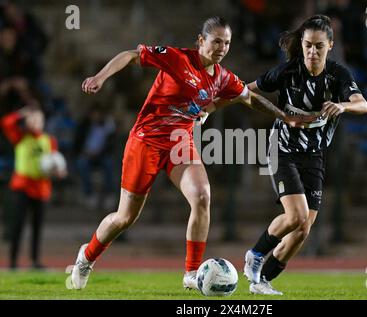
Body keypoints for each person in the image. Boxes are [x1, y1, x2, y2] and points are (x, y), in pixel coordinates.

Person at [69, 16, 309, 290]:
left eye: (227, 43)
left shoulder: (222, 77)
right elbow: (130, 55)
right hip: (146, 142)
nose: (222, 47)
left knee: (202, 197)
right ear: (201, 41)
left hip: (179, 143)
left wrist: (284, 116)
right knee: (125, 218)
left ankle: (192, 273)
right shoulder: (177, 58)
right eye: (217, 41)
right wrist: (100, 77)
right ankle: (86, 257)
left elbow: (249, 97)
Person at [211, 15, 367, 295]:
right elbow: (246, 90)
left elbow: (363, 105)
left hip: (314, 155)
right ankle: (255, 255)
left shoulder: (338, 75)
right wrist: (210, 107)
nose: (312, 51)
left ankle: (261, 281)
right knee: (296, 215)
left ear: (330, 45)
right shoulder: (288, 72)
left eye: (319, 46)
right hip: (282, 149)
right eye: (308, 45)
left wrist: (343, 106)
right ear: (302, 44)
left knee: (303, 230)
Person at [0, 105, 66, 269]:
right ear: (27, 121)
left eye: (39, 119)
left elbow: (55, 163)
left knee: (37, 227)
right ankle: (13, 263)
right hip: (22, 187)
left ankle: (34, 261)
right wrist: (21, 113)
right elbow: (6, 122)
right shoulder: (20, 136)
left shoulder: (49, 140)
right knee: (17, 225)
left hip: (41, 188)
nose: (36, 122)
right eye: (33, 119)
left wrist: (60, 171)